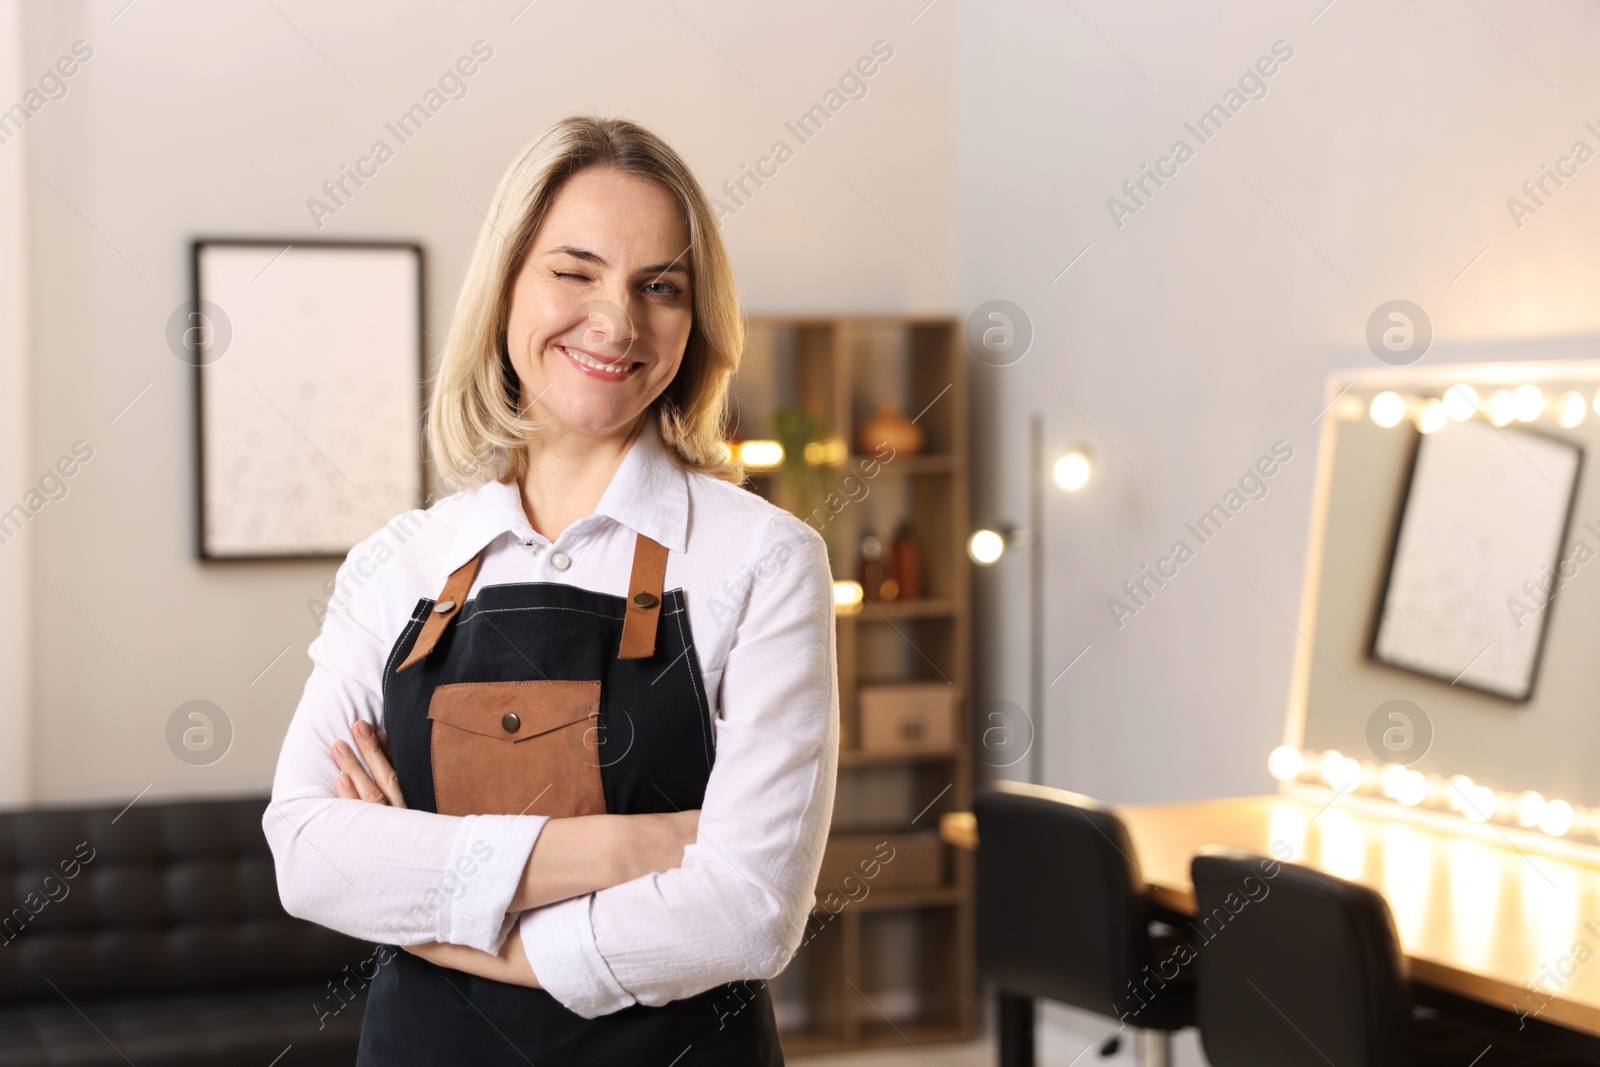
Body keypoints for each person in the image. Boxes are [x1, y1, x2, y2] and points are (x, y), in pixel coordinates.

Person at [263, 115, 839, 1065]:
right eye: (574, 271)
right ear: (504, 290)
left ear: (696, 322)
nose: (617, 320)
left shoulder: (766, 559)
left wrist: (436, 906)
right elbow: (309, 854)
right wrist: (633, 848)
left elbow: (749, 915)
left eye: (660, 286)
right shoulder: (396, 563)